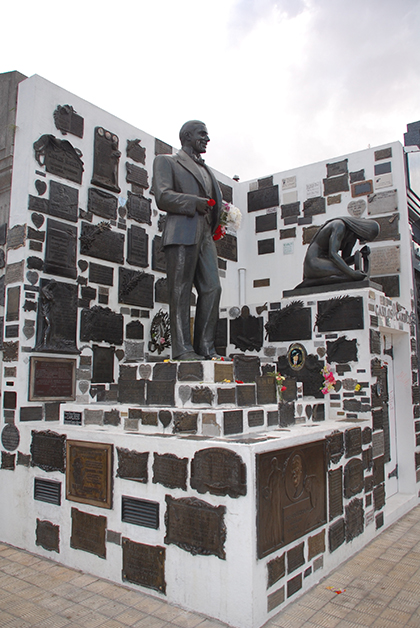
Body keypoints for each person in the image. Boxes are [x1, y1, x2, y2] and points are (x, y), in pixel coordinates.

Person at [152, 121, 222, 360]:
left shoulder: (207, 169)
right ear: (187, 136)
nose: (207, 139)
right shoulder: (167, 161)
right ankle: (182, 349)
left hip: (205, 234)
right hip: (182, 230)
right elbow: (163, 196)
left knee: (213, 287)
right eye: (202, 134)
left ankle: (206, 347)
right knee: (180, 290)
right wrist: (194, 202)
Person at [297, 216, 380, 288]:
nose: (364, 240)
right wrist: (353, 274)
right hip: (314, 262)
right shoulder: (339, 225)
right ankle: (310, 282)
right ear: (363, 230)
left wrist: (358, 256)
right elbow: (333, 254)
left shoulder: (352, 237)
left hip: (327, 262)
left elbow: (344, 262)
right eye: (366, 237)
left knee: (349, 275)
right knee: (348, 276)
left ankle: (313, 282)